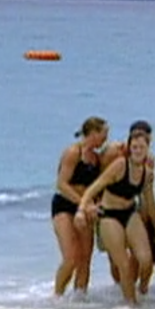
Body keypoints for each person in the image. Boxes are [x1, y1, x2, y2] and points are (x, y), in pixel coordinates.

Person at [76, 128, 155, 305]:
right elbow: (94, 188)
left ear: (147, 149)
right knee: (124, 265)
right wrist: (82, 210)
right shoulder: (120, 165)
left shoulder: (148, 173)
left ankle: (142, 292)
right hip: (109, 214)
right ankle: (131, 305)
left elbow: (149, 203)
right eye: (134, 147)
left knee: (146, 260)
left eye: (141, 148)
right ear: (129, 148)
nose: (137, 151)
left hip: (129, 212)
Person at [99, 120, 155, 283]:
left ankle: (136, 289)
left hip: (129, 208)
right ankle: (121, 289)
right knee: (115, 258)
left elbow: (146, 192)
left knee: (140, 254)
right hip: (107, 207)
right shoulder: (115, 152)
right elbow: (100, 181)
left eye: (146, 142)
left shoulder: (148, 161)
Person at [51, 116, 108, 298]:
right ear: (92, 133)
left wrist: (95, 204)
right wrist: (82, 203)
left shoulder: (97, 159)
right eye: (103, 135)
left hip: (86, 208)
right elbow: (62, 184)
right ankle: (57, 297)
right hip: (65, 205)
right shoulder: (73, 153)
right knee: (71, 257)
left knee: (85, 259)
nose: (105, 139)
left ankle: (79, 298)